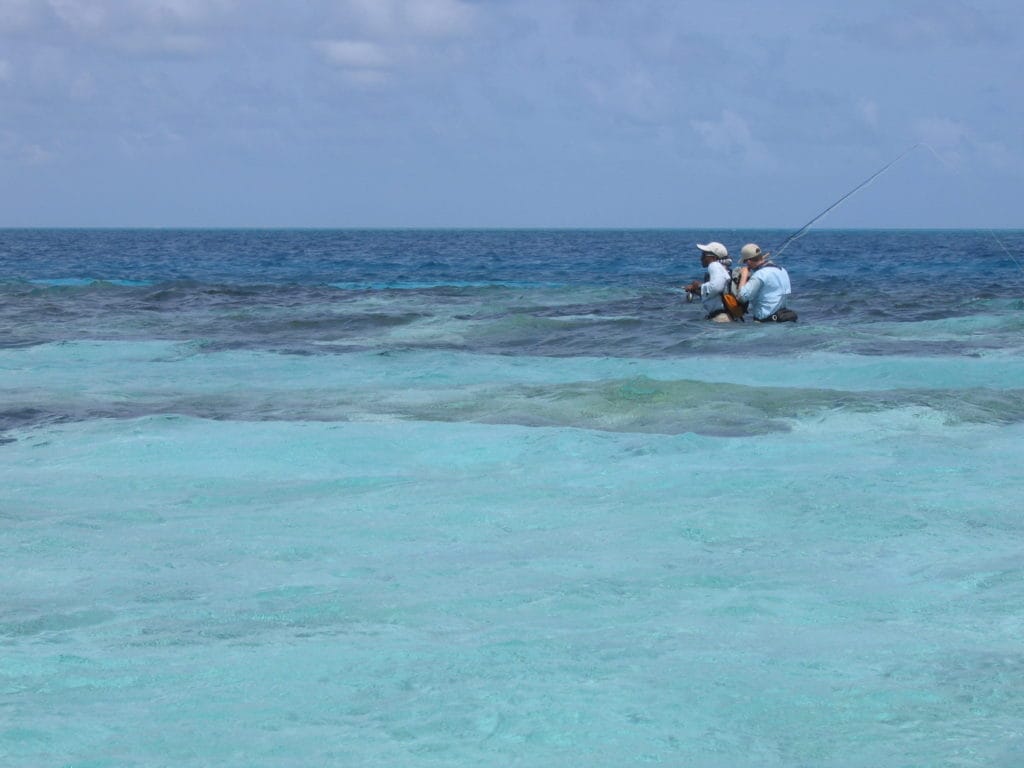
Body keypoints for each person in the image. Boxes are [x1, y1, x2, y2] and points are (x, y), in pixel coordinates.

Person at [736, 243, 797, 322]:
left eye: (745, 262)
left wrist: (744, 276)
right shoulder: (782, 270)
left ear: (748, 261)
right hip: (782, 317)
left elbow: (742, 297)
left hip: (766, 322)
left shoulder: (759, 275)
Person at [684, 242, 734, 322]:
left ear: (713, 258)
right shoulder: (724, 269)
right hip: (727, 315)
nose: (701, 258)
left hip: (721, 318)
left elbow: (716, 287)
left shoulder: (714, 265)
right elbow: (717, 293)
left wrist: (700, 285)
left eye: (704, 255)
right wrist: (695, 290)